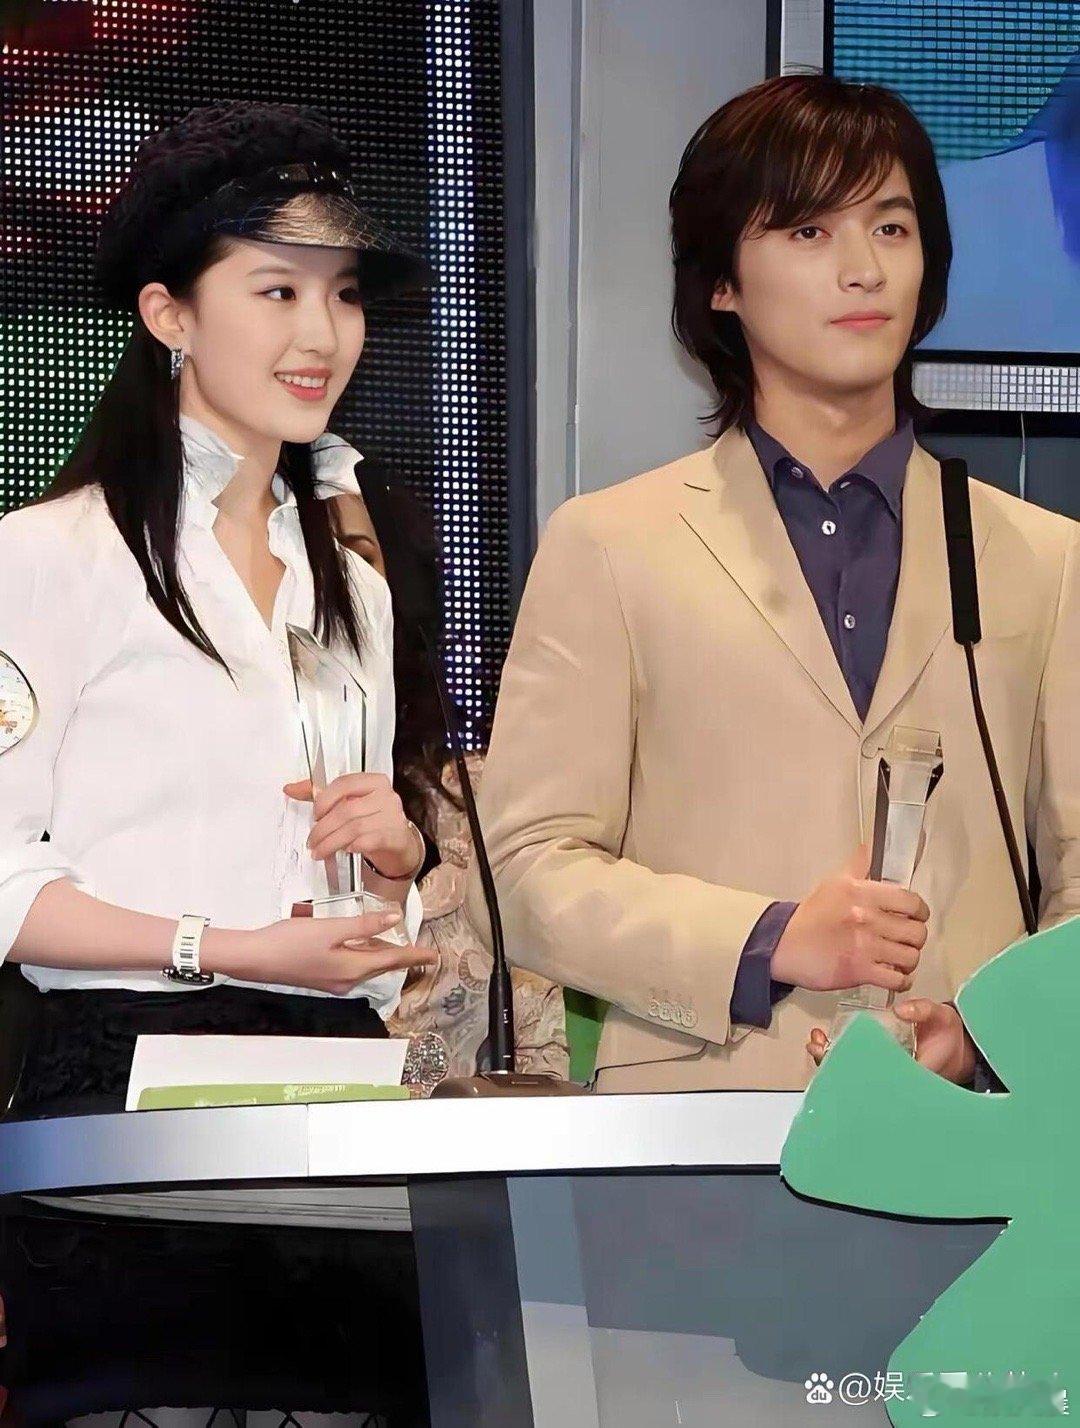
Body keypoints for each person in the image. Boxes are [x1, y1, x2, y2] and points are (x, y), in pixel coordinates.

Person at [466, 74, 1080, 1094]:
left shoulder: (1045, 559)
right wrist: (769, 938)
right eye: (808, 232)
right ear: (721, 282)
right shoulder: (611, 545)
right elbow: (523, 874)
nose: (863, 269)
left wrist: (988, 1036)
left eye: (891, 229)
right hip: (692, 1126)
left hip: (965, 1135)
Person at [0, 101, 435, 1421]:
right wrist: (231, 948)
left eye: (342, 293)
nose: (323, 334)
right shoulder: (47, 557)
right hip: (125, 1101)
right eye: (277, 289)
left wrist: (397, 863)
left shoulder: (357, 578)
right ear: (168, 313)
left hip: (339, 1103)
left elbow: (375, 923)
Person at [332, 479, 569, 1087]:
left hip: (459, 1141)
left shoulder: (482, 800)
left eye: (354, 553)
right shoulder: (206, 804)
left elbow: (538, 1057)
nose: (326, 580)